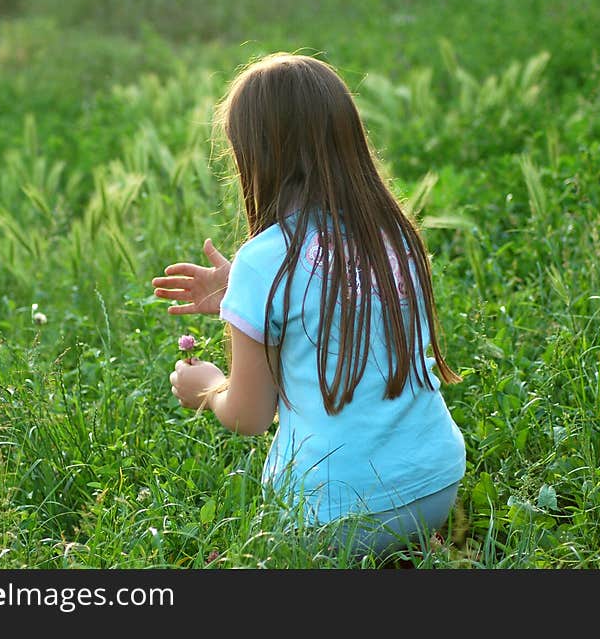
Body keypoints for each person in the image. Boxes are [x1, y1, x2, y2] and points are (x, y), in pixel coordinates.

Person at [152, 53, 466, 557]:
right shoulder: (393, 234)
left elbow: (251, 415)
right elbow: (334, 297)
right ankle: (411, 547)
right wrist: (242, 295)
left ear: (253, 158)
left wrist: (208, 388)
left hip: (334, 517)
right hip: (436, 486)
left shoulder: (265, 261)